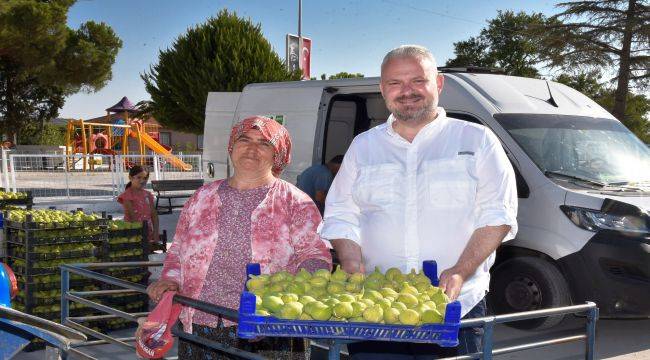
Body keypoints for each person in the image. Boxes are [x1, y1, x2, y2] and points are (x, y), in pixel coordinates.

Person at [319, 45, 518, 359]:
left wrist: (461, 271)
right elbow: (342, 213)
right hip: (375, 308)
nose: (406, 91)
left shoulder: (477, 140)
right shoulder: (363, 146)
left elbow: (498, 214)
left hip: (455, 307)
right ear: (383, 89)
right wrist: (351, 261)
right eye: (395, 83)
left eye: (417, 81)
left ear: (438, 84)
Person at [147, 116, 332, 359]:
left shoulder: (295, 202)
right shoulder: (202, 197)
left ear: (277, 155)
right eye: (244, 139)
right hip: (201, 322)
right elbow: (178, 249)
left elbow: (316, 258)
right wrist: (170, 280)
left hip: (268, 329)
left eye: (264, 143)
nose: (252, 148)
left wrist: (286, 300)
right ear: (232, 146)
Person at [117, 165, 160, 244]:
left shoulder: (148, 195)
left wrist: (156, 232)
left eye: (145, 178)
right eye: (139, 177)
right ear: (130, 177)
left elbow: (154, 214)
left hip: (147, 234)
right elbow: (132, 216)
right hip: (132, 235)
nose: (142, 180)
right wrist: (140, 236)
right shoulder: (127, 195)